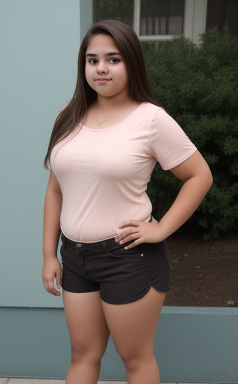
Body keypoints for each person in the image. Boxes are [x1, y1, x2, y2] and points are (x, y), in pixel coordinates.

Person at [42, 19, 213, 384]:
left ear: (131, 62)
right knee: (82, 355)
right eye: (93, 60)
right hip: (74, 257)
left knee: (135, 359)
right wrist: (48, 254)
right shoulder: (68, 114)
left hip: (127, 258)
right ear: (83, 66)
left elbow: (200, 176)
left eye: (113, 59)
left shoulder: (150, 120)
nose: (101, 68)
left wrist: (162, 228)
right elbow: (56, 189)